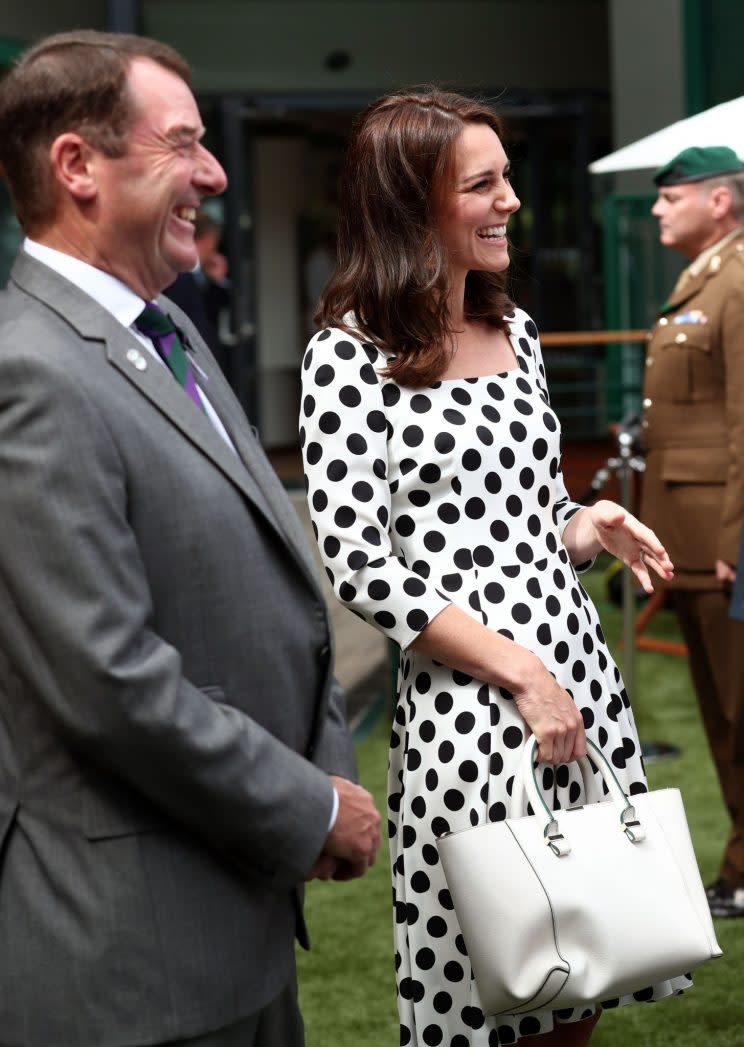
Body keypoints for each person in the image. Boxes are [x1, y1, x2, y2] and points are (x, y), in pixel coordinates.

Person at [0, 29, 380, 1047]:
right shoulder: (29, 373)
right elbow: (108, 678)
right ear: (77, 167)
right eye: (184, 145)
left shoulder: (168, 330)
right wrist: (308, 807)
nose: (213, 173)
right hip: (134, 963)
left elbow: (275, 593)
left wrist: (327, 771)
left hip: (233, 922)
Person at [300, 89, 685, 1047]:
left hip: (578, 679)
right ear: (410, 205)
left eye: (507, 176)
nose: (511, 199)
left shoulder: (518, 335)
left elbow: (516, 520)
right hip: (477, 705)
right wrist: (520, 673)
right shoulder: (347, 354)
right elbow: (359, 563)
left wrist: (586, 520)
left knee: (593, 958)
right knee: (495, 987)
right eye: (483, 184)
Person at [641, 144, 744, 920]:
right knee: (718, 711)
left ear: (719, 201)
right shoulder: (702, 278)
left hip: (722, 540)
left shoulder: (737, 280)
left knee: (740, 711)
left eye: (670, 196)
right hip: (690, 532)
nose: (656, 209)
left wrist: (737, 539)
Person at [165, 209, 232, 372]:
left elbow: (211, 314)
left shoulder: (200, 276)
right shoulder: (176, 275)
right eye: (215, 242)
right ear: (208, 239)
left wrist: (218, 282)